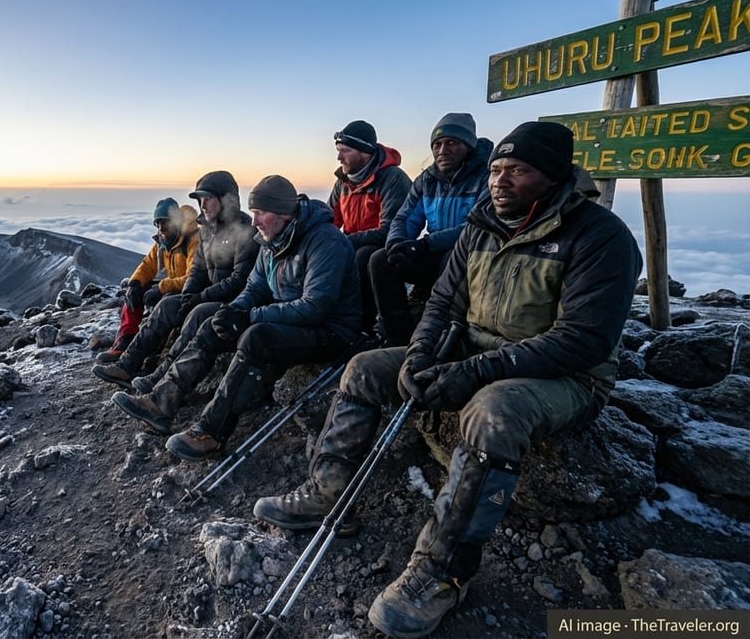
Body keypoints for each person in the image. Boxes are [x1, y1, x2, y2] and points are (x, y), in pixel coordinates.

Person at [252, 122, 642, 638]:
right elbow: (443, 303)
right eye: (497, 169)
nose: (500, 180)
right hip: (471, 347)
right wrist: (418, 356)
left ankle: (442, 570)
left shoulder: (599, 236)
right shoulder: (483, 225)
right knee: (365, 368)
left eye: (517, 171)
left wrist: (476, 372)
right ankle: (326, 492)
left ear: (553, 177)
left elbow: (583, 339)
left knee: (492, 411)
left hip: (567, 375)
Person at [111, 175, 362, 461]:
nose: (254, 222)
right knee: (215, 321)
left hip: (332, 331)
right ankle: (161, 402)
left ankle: (211, 433)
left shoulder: (325, 242)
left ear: (282, 212)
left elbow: (314, 307)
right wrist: (235, 310)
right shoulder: (272, 239)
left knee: (257, 337)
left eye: (260, 214)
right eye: (253, 213)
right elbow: (255, 287)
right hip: (294, 320)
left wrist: (250, 316)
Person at [92, 170, 256, 388]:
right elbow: (197, 269)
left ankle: (160, 377)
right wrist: (188, 294)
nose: (203, 205)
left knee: (196, 314)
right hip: (207, 295)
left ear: (227, 200)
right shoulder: (207, 230)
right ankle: (126, 365)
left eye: (209, 199)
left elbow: (239, 280)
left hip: (233, 302)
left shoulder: (245, 231)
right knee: (168, 305)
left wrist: (199, 297)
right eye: (200, 200)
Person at [368, 113, 493, 347]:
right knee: (381, 260)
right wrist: (397, 243)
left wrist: (425, 245)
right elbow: (404, 217)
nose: (442, 150)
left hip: (473, 255)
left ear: (468, 146)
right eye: (436, 144)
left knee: (451, 260)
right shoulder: (427, 179)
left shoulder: (487, 176)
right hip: (433, 250)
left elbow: (476, 225)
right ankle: (397, 337)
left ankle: (443, 335)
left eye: (451, 143)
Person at [328, 120, 412, 335]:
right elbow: (329, 221)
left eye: (345, 151)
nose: (339, 157)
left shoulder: (392, 179)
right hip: (353, 243)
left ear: (364, 152)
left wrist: (344, 242)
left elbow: (390, 230)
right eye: (338, 151)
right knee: (324, 253)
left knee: (363, 257)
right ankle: (328, 318)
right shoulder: (343, 182)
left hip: (387, 247)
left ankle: (364, 327)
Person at [95, 197, 198, 365]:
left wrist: (160, 288)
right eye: (157, 224)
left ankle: (149, 350)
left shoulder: (192, 239)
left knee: (163, 302)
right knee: (134, 294)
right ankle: (124, 341)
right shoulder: (163, 242)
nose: (161, 228)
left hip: (189, 291)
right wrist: (134, 283)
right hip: (173, 286)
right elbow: (148, 265)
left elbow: (192, 278)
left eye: (164, 222)